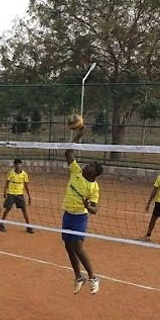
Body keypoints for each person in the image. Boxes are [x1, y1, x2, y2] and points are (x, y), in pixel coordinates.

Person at [63, 126, 102, 294]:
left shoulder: (94, 187)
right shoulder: (76, 171)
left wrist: (87, 206)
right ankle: (79, 277)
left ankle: (93, 278)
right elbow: (68, 153)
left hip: (80, 217)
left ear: (94, 173)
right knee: (69, 247)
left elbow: (94, 210)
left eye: (91, 166)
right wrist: (78, 136)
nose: (87, 165)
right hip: (67, 214)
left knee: (78, 247)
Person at [0, 159, 34, 234]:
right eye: (17, 164)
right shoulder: (11, 173)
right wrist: (5, 192)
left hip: (20, 194)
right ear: (14, 165)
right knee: (8, 209)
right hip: (11, 193)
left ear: (21, 165)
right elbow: (6, 183)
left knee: (24, 210)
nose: (18, 166)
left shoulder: (24, 174)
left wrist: (29, 196)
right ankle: (1, 224)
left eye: (20, 164)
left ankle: (28, 226)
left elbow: (26, 186)